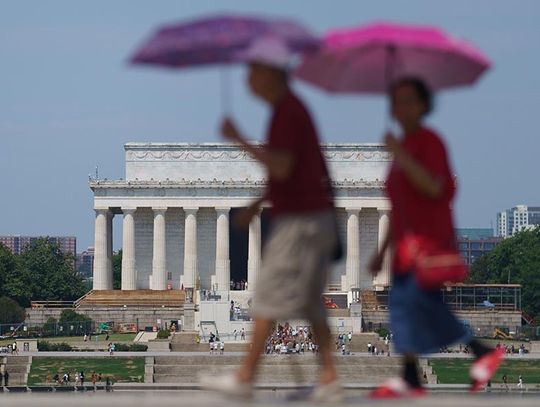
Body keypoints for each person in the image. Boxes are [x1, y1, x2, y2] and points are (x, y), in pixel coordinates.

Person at [201, 37, 341, 403]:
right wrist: (255, 204)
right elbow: (291, 173)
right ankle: (328, 377)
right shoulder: (294, 110)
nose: (247, 80)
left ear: (270, 73)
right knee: (311, 303)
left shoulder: (286, 113)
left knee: (264, 297)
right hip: (313, 216)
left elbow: (282, 165)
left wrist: (239, 140)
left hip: (299, 222)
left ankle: (245, 377)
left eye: (252, 72)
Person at [368, 77, 504, 398]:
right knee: (403, 308)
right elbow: (397, 207)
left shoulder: (430, 142)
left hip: (425, 245)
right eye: (396, 101)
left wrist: (400, 153)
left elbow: (434, 187)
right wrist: (382, 250)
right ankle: (413, 376)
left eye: (408, 100)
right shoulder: (403, 148)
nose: (401, 108)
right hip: (404, 247)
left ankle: (470, 353)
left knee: (421, 305)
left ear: (424, 106)